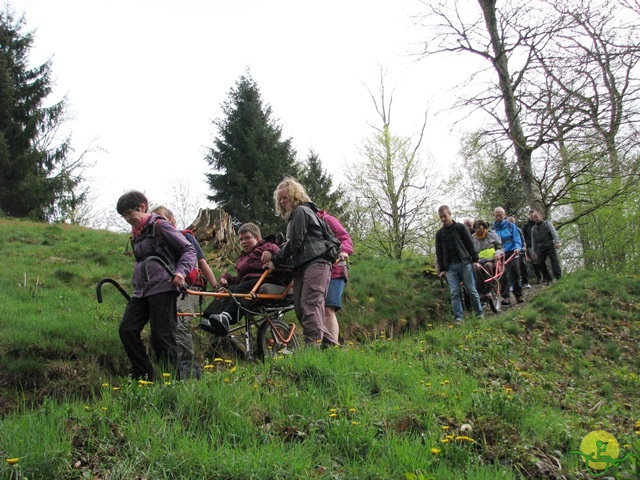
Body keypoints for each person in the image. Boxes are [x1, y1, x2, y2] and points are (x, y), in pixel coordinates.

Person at [116, 191, 196, 381]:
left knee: (162, 337)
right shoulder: (137, 234)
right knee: (127, 329)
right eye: (124, 216)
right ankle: (144, 375)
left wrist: (180, 272)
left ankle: (174, 383)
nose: (128, 219)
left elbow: (188, 249)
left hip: (164, 286)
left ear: (142, 207)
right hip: (142, 290)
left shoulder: (160, 225)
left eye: (129, 213)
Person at [266, 178, 339, 347]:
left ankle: (312, 349)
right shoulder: (294, 219)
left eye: (286, 197)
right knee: (300, 308)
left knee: (309, 305)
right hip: (302, 266)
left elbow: (295, 242)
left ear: (295, 196)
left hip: (317, 262)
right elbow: (293, 243)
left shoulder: (301, 212)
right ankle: (330, 347)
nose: (283, 202)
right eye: (281, 199)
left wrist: (275, 261)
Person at [151, 206, 218, 379]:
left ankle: (189, 369)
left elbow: (201, 262)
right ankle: (170, 368)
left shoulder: (185, 237)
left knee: (180, 322)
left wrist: (215, 285)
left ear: (171, 221)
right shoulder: (155, 244)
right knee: (164, 326)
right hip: (166, 288)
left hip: (189, 286)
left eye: (161, 218)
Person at [200, 223, 280, 336]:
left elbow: (279, 251)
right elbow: (239, 278)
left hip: (265, 279)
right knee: (229, 290)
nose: (243, 242)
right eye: (241, 239)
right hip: (248, 282)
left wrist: (270, 253)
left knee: (241, 287)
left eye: (247, 238)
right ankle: (211, 317)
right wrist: (226, 278)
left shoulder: (266, 246)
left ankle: (227, 316)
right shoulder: (243, 257)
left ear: (257, 238)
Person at [435, 205, 483, 324]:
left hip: (465, 262)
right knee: (454, 293)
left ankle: (479, 314)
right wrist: (441, 269)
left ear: (450, 214)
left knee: (471, 290)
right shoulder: (439, 234)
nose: (443, 219)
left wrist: (475, 260)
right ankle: (458, 318)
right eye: (441, 217)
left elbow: (469, 244)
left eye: (445, 216)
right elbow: (439, 252)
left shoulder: (461, 228)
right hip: (450, 267)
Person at [317, 209, 353, 343]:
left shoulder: (326, 219)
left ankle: (331, 347)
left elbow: (344, 238)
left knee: (328, 308)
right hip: (317, 272)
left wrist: (344, 252)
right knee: (316, 311)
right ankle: (321, 347)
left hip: (335, 270)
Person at [492, 207, 524, 305]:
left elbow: (516, 238)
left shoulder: (511, 226)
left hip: (512, 252)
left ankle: (518, 295)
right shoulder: (493, 229)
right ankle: (505, 297)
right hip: (500, 254)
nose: (498, 217)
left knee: (515, 272)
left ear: (504, 215)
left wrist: (517, 247)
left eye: (500, 215)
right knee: (502, 275)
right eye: (496, 215)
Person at [471, 219, 503, 296]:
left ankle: (490, 287)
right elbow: (471, 251)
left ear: (484, 227)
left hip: (492, 260)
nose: (478, 230)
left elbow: (500, 247)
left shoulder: (492, 235)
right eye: (476, 228)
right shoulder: (473, 238)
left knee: (487, 266)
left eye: (480, 227)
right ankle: (481, 292)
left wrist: (498, 253)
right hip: (480, 261)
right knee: (476, 269)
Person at [530, 210, 562, 283]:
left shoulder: (547, 224)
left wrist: (557, 242)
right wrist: (533, 251)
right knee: (540, 263)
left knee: (554, 261)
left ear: (541, 216)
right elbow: (533, 240)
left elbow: (554, 233)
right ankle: (548, 279)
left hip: (549, 245)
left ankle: (558, 277)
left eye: (536, 217)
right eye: (534, 218)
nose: (535, 219)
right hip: (539, 248)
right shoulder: (533, 229)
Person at [508, 216, 531, 289]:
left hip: (519, 250)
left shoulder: (518, 230)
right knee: (511, 268)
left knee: (522, 265)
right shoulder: (506, 231)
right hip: (510, 251)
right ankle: (512, 284)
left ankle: (525, 282)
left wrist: (524, 247)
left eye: (512, 222)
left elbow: (522, 240)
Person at [522, 209, 543, 284]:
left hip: (540, 244)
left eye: (533, 214)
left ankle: (545, 276)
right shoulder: (526, 226)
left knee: (541, 260)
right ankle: (539, 277)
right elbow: (523, 237)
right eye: (530, 215)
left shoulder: (540, 224)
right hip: (530, 246)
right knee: (535, 261)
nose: (531, 216)